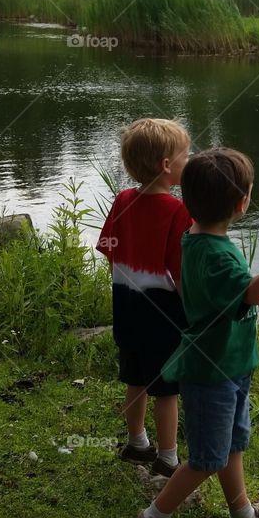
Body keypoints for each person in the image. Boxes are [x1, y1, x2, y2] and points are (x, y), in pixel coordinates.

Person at [133, 147, 259, 518]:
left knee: (232, 445)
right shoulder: (218, 258)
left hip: (229, 366)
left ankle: (242, 515)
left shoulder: (194, 238)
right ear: (242, 203)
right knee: (208, 458)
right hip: (212, 373)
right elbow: (251, 295)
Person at [97, 117, 191, 478]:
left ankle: (137, 442)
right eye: (186, 154)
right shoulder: (178, 211)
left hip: (126, 302)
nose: (190, 159)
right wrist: (193, 312)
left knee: (135, 378)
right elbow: (179, 273)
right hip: (163, 310)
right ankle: (167, 457)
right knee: (166, 389)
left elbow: (108, 250)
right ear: (167, 166)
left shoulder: (122, 200)